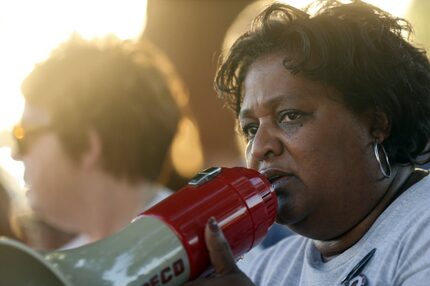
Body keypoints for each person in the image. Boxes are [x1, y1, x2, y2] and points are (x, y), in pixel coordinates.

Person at [186, 0, 430, 285]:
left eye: (289, 116)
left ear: (378, 122)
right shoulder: (267, 269)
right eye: (251, 128)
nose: (260, 146)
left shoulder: (422, 227)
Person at [12, 35, 181, 249]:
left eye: (24, 135)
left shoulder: (212, 260)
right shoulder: (60, 274)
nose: (15, 154)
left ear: (86, 147)